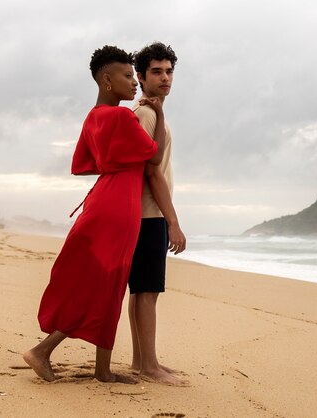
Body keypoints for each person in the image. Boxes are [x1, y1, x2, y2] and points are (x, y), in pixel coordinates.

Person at [23, 45, 166, 383]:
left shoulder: (93, 117)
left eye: (134, 76)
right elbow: (155, 157)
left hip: (103, 198)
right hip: (120, 206)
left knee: (109, 286)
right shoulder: (120, 116)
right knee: (106, 287)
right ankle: (41, 351)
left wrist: (116, 164)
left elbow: (84, 165)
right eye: (128, 76)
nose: (134, 83)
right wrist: (158, 115)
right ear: (106, 79)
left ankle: (103, 369)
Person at [127, 42, 187, 385]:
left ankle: (142, 361)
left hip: (145, 214)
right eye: (156, 72)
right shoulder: (147, 113)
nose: (165, 78)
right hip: (149, 214)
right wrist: (173, 222)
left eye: (168, 71)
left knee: (141, 291)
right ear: (141, 76)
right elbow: (152, 172)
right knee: (147, 292)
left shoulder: (150, 111)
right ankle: (149, 367)